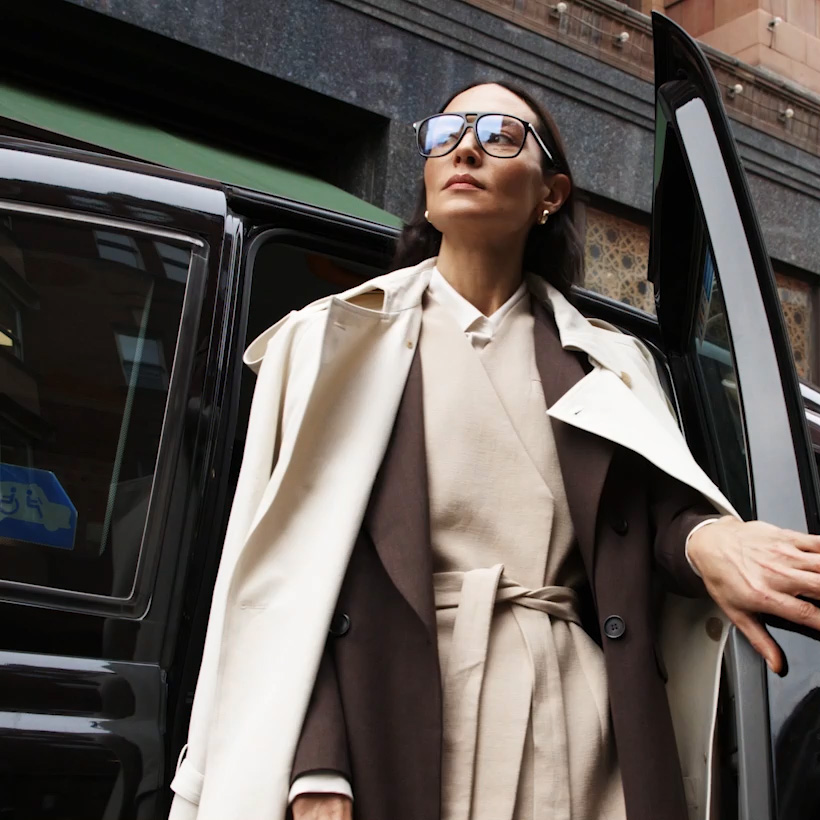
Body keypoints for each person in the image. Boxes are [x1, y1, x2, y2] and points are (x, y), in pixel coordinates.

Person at [169, 82, 820, 820]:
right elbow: (289, 577)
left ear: (551, 194)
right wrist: (318, 765)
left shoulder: (608, 363)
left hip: (580, 732)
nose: (466, 148)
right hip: (396, 713)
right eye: (446, 132)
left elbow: (651, 520)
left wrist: (715, 539)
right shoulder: (330, 342)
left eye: (500, 134)